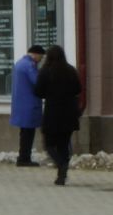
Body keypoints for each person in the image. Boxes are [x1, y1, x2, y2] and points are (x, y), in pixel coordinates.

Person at [34, 44, 82, 186]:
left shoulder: (46, 71)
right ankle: (62, 173)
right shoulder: (71, 70)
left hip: (53, 112)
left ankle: (61, 164)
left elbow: (38, 92)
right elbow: (78, 89)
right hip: (69, 112)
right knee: (63, 143)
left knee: (49, 144)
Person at [11, 44, 46, 167]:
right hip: (29, 104)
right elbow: (37, 82)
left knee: (24, 133)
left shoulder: (19, 63)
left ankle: (23, 157)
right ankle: (24, 158)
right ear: (35, 54)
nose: (40, 60)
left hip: (21, 104)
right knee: (28, 134)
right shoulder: (30, 66)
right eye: (40, 57)